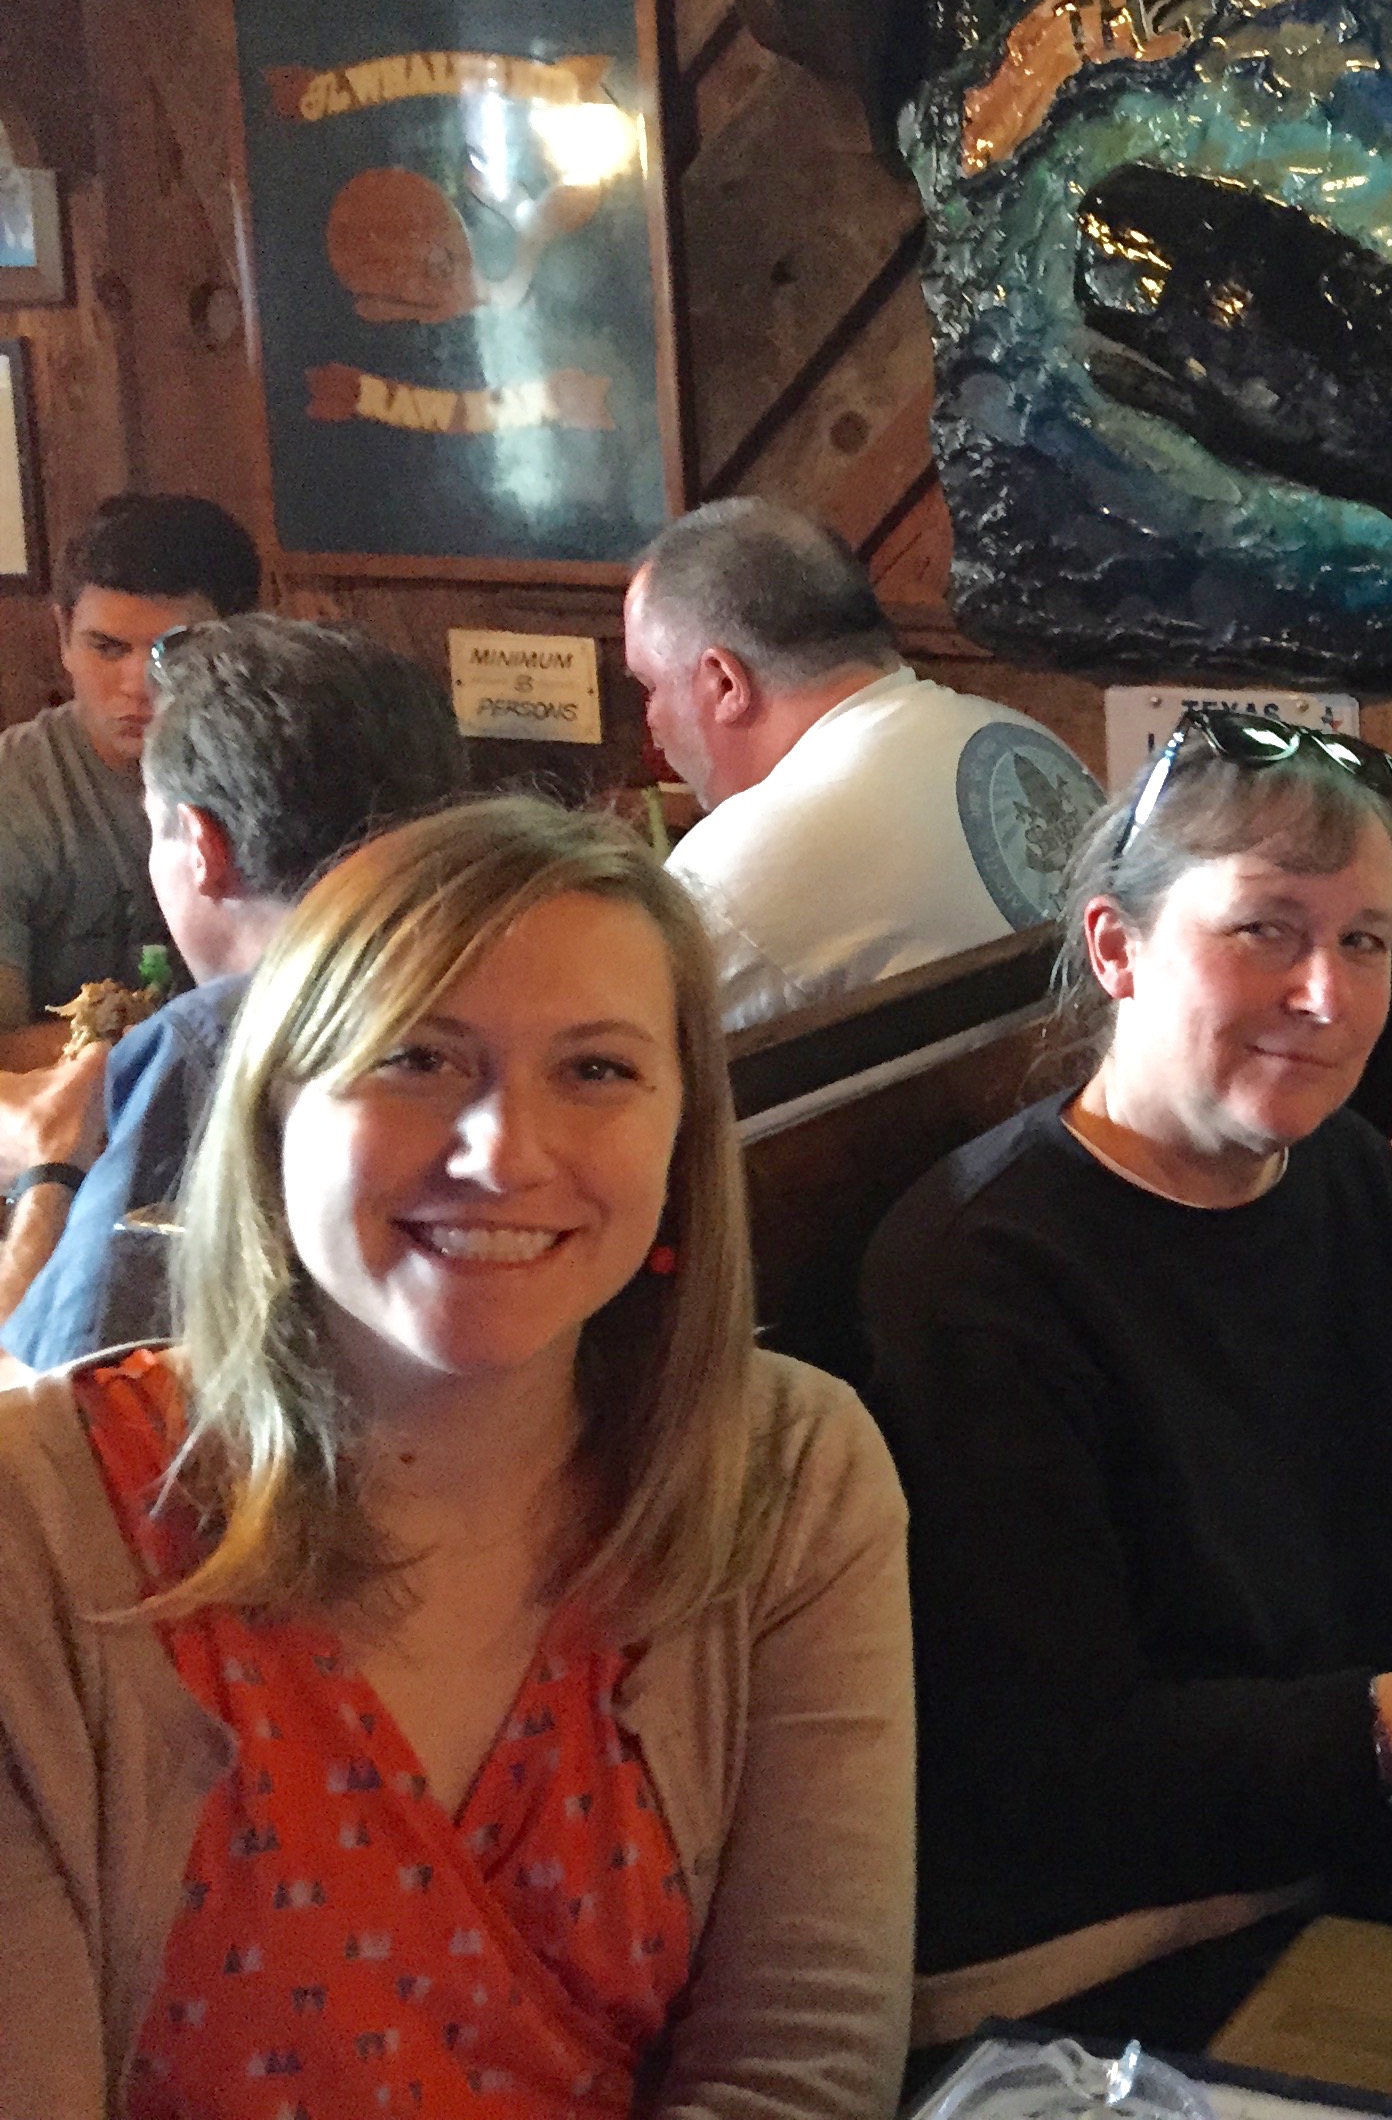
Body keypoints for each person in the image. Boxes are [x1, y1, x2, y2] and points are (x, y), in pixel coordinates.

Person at [0, 796, 914, 2116]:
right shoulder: (37, 1512)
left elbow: (797, 2067)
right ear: (275, 1111)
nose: (503, 1153)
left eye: (596, 1072)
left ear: (679, 1136)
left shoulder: (790, 1472)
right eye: (417, 1057)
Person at [862, 712, 1392, 2050]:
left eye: (1363, 941)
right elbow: (1064, 1766)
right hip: (1108, 1964)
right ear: (1116, 948)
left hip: (1354, 1852)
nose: (1326, 995)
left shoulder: (1349, 1173)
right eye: (1266, 929)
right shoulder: (982, 1273)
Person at [2, 617, 469, 1367]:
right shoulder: (516, 991)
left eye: (154, 829)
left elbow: (56, 1382)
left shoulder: (213, 1038)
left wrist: (49, 1174)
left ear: (203, 848)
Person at [624, 501, 1097, 1034]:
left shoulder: (731, 870)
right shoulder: (1023, 738)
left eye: (650, 686)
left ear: (724, 684)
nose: (651, 721)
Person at [0, 493, 260, 1068]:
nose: (139, 685)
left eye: (176, 649)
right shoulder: (14, 790)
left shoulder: (289, 775)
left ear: (239, 644)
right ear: (64, 635)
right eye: (107, 647)